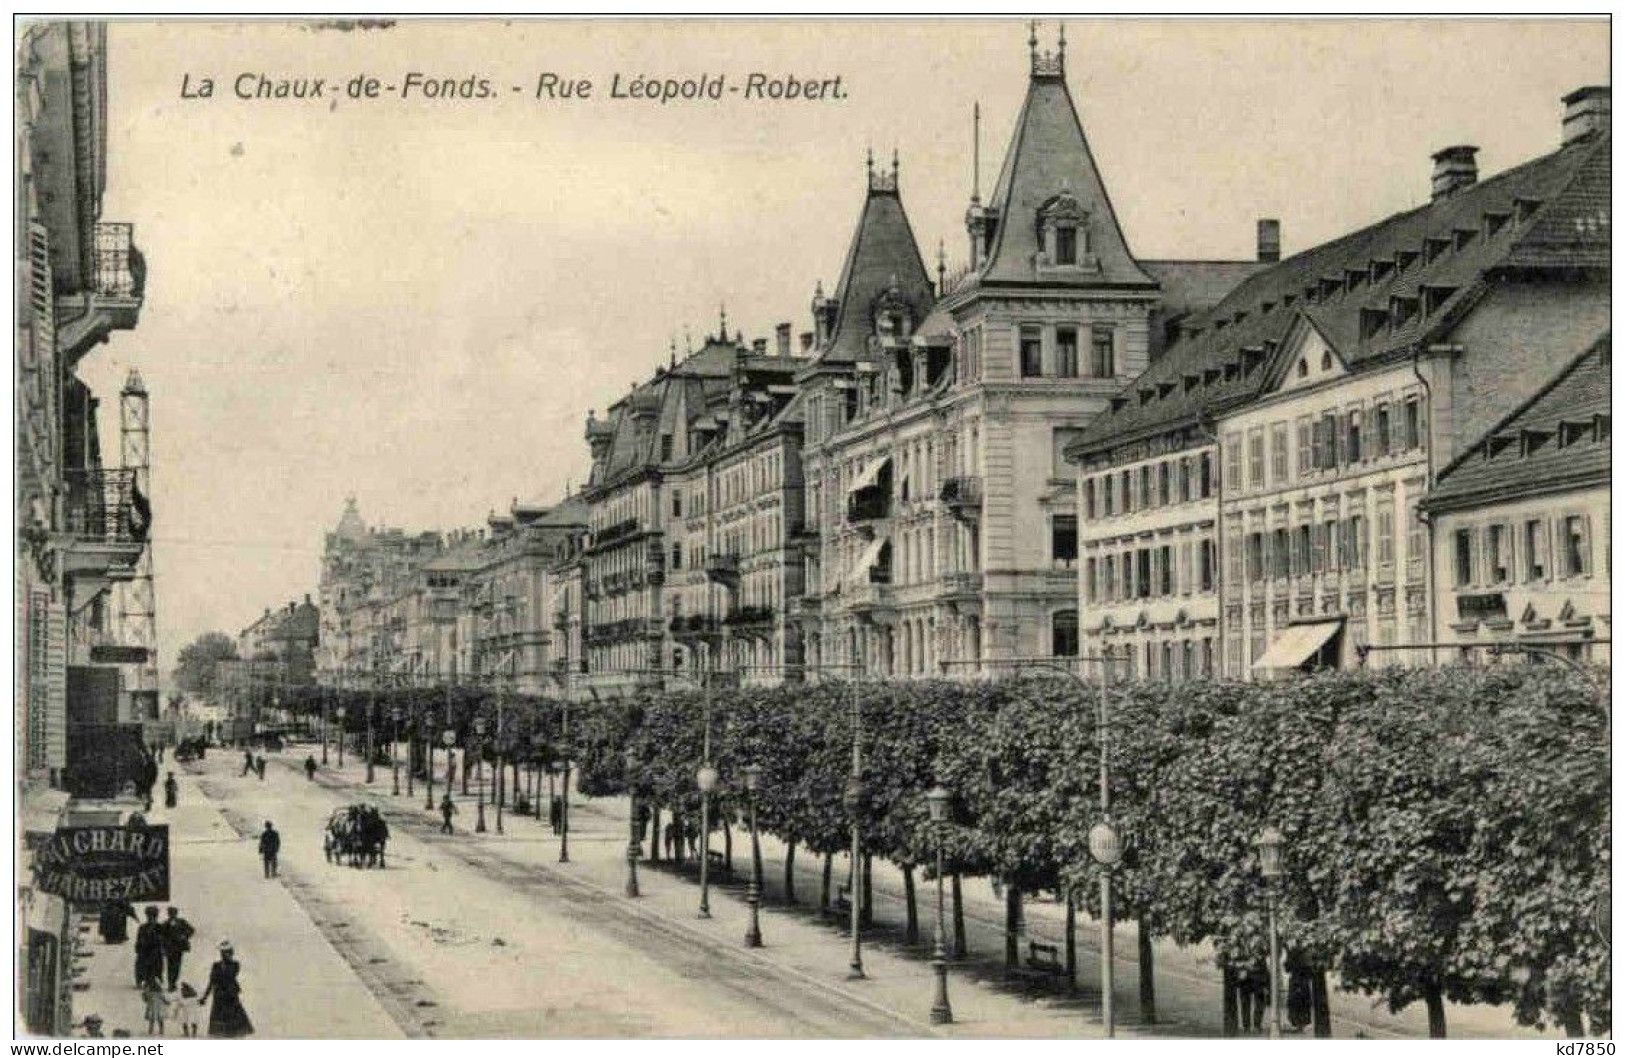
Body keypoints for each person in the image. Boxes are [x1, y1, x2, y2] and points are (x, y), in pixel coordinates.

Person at [200, 942, 253, 1038]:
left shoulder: (235, 964)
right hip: (219, 995)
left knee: (232, 1016)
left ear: (231, 953)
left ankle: (233, 1033)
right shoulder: (216, 965)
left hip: (230, 995)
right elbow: (211, 982)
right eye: (222, 953)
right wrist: (204, 997)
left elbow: (230, 975)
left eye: (226, 953)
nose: (224, 955)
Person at [161, 907, 194, 991]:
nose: (172, 915)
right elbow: (162, 936)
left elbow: (191, 930)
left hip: (178, 948)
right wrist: (164, 946)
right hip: (170, 948)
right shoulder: (165, 924)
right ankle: (171, 984)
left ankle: (173, 982)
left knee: (177, 966)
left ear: (176, 914)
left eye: (173, 913)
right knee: (170, 967)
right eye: (170, 913)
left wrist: (184, 936)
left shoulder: (181, 922)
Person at [133, 907, 165, 988]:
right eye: (149, 916)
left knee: (156, 966)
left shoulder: (160, 927)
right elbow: (139, 938)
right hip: (144, 950)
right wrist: (138, 946)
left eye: (153, 916)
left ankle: (153, 980)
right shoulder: (143, 927)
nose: (151, 918)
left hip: (155, 950)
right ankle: (141, 980)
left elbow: (163, 939)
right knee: (141, 965)